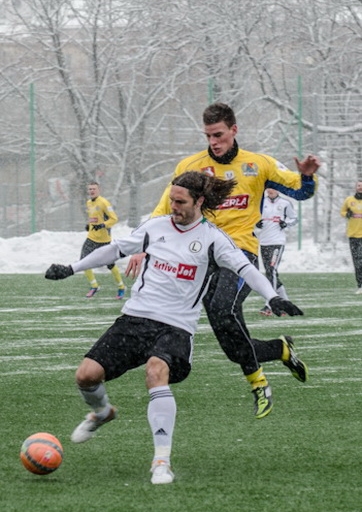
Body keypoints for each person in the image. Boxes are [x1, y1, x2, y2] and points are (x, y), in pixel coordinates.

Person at [45, 172, 303, 485]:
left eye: (181, 202)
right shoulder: (155, 227)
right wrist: (71, 268)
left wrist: (273, 297)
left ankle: (161, 463)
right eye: (171, 200)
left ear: (199, 201)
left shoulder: (212, 239)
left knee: (156, 372)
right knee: (85, 376)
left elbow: (245, 268)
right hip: (135, 319)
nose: (174, 207)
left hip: (175, 326)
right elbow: (115, 250)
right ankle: (102, 413)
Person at [126, 102, 320, 419]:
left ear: (234, 130)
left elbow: (299, 191)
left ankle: (259, 385)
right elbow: (166, 207)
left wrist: (307, 177)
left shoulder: (259, 165)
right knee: (233, 346)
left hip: (239, 252)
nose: (214, 142)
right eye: (208, 136)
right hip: (202, 258)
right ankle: (280, 349)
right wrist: (143, 244)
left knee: (222, 308)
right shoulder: (192, 167)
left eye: (219, 135)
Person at [255, 188, 298, 315]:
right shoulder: (261, 203)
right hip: (264, 242)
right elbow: (253, 216)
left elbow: (294, 218)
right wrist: (256, 223)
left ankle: (269, 304)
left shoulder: (285, 203)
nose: (270, 191)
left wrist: (285, 223)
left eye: (273, 188)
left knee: (271, 270)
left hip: (277, 242)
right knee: (271, 273)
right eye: (268, 189)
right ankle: (286, 303)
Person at [82, 181, 126, 299]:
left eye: (94, 189)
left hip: (103, 240)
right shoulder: (89, 203)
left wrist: (103, 225)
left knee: (110, 265)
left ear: (98, 190)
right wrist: (89, 225)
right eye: (90, 189)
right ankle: (94, 286)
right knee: (83, 262)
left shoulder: (104, 203)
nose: (91, 191)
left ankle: (121, 287)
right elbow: (94, 218)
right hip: (91, 238)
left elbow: (114, 219)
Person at [340, 180, 362, 294]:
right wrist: (347, 214)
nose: (360, 188)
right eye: (358, 185)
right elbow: (342, 212)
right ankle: (360, 285)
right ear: (356, 187)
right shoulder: (349, 200)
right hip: (353, 235)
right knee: (357, 262)